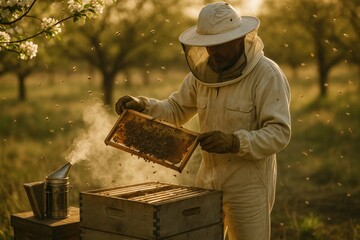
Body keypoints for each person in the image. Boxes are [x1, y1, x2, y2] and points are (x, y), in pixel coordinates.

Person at [115, 2, 291, 240]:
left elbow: (279, 132)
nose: (213, 52)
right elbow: (176, 109)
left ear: (238, 39)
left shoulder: (266, 75)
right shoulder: (201, 74)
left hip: (248, 185)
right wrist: (144, 105)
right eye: (208, 45)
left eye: (220, 45)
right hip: (207, 179)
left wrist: (234, 142)